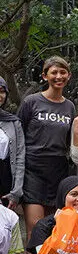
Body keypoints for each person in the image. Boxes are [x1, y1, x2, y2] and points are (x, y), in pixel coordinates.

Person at [18, 56, 75, 232]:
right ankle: (33, 253)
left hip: (58, 169)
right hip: (33, 169)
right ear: (45, 76)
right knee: (36, 227)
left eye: (63, 72)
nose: (59, 76)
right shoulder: (31, 102)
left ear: (69, 75)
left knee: (53, 227)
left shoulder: (70, 107)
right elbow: (18, 134)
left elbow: (70, 141)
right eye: (54, 72)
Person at [0, 77, 25, 209]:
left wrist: (16, 191)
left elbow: (20, 156)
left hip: (5, 184)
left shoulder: (13, 122)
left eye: (2, 91)